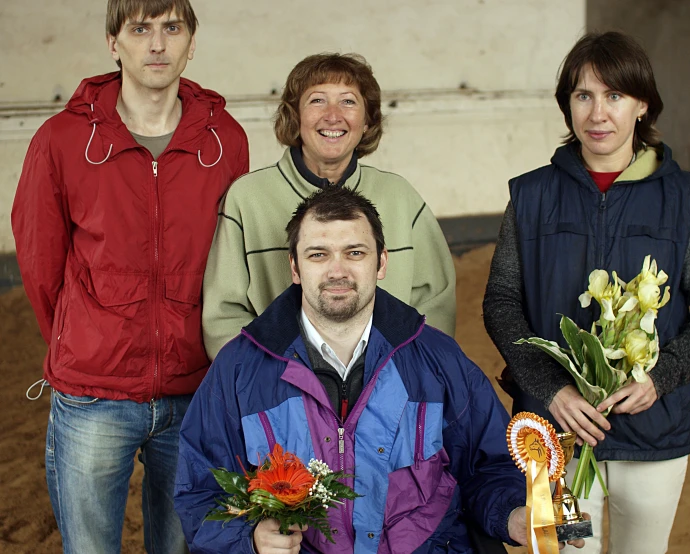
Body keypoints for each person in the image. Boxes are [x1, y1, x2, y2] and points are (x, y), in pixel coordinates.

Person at [175, 186, 538, 554]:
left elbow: (487, 465)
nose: (337, 270)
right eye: (318, 254)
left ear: (381, 263)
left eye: (355, 252)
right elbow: (199, 491)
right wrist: (249, 540)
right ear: (295, 268)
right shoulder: (239, 368)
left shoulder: (437, 359)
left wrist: (510, 513)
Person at [11, 0, 249, 551]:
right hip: (96, 394)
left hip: (196, 390)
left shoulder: (225, 141)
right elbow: (41, 265)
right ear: (113, 43)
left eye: (172, 28)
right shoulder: (60, 141)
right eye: (140, 29)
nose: (157, 44)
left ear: (192, 42)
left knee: (182, 544)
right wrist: (84, 343)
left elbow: (231, 261)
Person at [483, 31, 690, 554]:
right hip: (557, 437)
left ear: (642, 104)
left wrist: (660, 379)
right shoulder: (531, 195)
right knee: (565, 551)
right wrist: (552, 390)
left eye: (614, 95)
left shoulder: (683, 197)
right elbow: (501, 302)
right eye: (583, 95)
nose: (598, 113)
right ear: (567, 105)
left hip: (652, 432)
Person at [201, 53, 456, 361]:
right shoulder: (247, 198)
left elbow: (435, 308)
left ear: (367, 120)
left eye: (348, 102)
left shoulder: (401, 197)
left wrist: (398, 377)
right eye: (317, 100)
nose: (333, 115)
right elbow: (224, 317)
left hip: (387, 389)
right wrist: (268, 381)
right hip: (280, 394)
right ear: (294, 116)